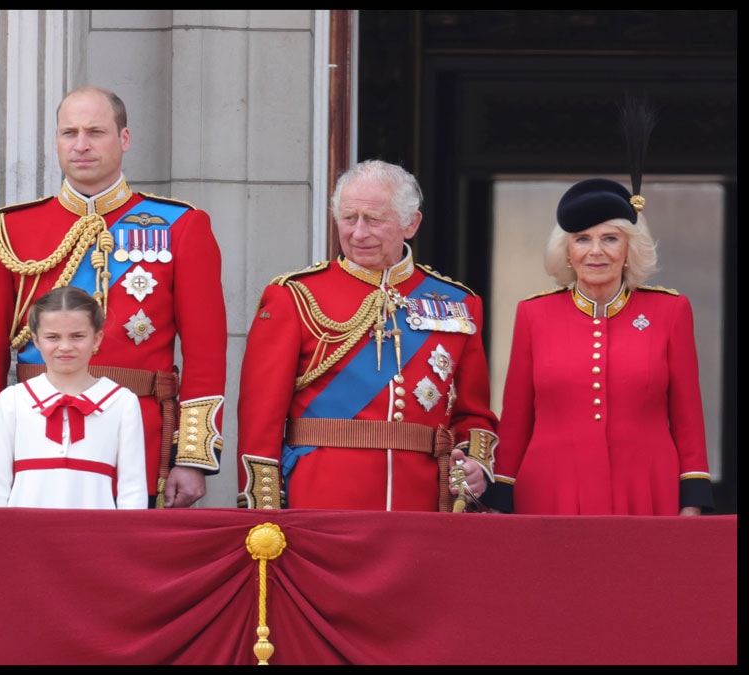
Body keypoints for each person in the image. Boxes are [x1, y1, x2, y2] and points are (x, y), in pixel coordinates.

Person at [0, 85, 227, 509]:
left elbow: (205, 354)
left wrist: (192, 456)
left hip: (141, 435)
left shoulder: (182, 225)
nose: (81, 145)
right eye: (69, 133)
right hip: (32, 433)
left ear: (124, 139)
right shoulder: (10, 230)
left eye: (96, 132)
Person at [236, 159, 498, 511]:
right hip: (320, 499)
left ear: (411, 224)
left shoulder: (459, 303)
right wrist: (262, 508)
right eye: (349, 218)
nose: (358, 233)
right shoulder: (294, 296)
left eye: (373, 219)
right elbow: (260, 418)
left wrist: (475, 464)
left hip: (421, 504)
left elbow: (473, 414)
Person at [483, 176, 714, 515]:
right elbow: (517, 419)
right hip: (550, 489)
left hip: (645, 487)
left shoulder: (670, 312)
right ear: (566, 252)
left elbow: (688, 418)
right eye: (582, 239)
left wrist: (692, 500)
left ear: (628, 250)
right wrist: (500, 498)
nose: (595, 251)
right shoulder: (534, 314)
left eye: (610, 238)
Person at [0, 287, 148, 509]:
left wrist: (124, 542)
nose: (65, 347)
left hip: (96, 537)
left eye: (77, 336)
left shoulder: (122, 402)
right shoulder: (13, 400)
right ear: (36, 340)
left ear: (96, 339)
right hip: (23, 536)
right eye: (53, 337)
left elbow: (133, 489)